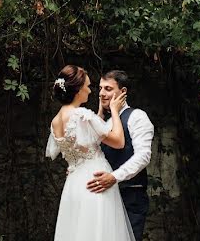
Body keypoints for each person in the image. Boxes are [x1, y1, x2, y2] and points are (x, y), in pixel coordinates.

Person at [46, 65, 136, 241]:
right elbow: (118, 141)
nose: (90, 90)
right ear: (78, 90)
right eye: (87, 86)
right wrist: (115, 112)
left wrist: (99, 114)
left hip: (74, 183)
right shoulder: (81, 114)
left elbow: (85, 138)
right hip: (96, 180)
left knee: (80, 231)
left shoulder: (56, 120)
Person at [88, 70, 154, 241]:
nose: (102, 93)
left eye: (108, 89)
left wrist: (114, 177)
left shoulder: (137, 117)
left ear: (123, 92)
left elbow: (143, 156)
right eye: (100, 88)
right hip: (103, 197)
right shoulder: (102, 121)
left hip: (130, 196)